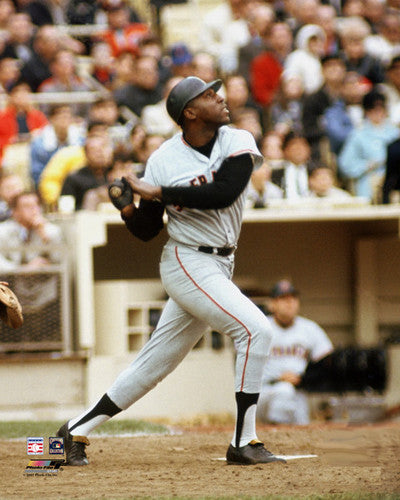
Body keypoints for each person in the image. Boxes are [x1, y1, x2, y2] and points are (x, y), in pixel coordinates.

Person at [56, 76, 285, 467]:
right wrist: (127, 208)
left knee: (153, 365)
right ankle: (244, 442)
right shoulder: (162, 159)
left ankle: (66, 437)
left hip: (219, 262)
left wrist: (156, 192)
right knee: (254, 329)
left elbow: (223, 193)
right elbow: (147, 230)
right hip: (187, 260)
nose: (221, 98)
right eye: (209, 96)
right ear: (190, 113)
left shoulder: (238, 140)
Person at [257, 279, 334, 425]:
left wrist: (302, 379)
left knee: (301, 430)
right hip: (264, 391)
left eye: (293, 298)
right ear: (272, 304)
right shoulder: (261, 327)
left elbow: (327, 362)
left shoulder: (310, 328)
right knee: (284, 390)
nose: (289, 302)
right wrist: (279, 378)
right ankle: (276, 434)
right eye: (283, 298)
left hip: (297, 393)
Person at [338, 89, 399, 202]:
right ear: (366, 112)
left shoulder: (395, 133)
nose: (378, 113)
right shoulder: (358, 135)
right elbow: (345, 164)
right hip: (369, 179)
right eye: (373, 109)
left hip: (394, 181)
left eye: (381, 109)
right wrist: (367, 165)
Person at [0, 191, 63, 272]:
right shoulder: (2, 231)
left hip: (42, 282)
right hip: (12, 281)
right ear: (15, 212)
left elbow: (59, 262)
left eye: (36, 205)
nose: (34, 210)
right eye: (27, 206)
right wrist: (23, 270)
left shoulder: (52, 231)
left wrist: (46, 238)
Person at [30, 104, 84, 189]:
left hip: (77, 184)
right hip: (49, 185)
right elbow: (37, 173)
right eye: (61, 117)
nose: (64, 121)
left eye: (67, 117)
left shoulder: (81, 141)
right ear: (51, 119)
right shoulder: (39, 144)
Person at [60, 134, 114, 210]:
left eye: (103, 148)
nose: (99, 153)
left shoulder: (115, 174)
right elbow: (66, 209)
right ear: (86, 153)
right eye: (94, 150)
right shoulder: (73, 178)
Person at [271, 131, 312, 199]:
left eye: (303, 145)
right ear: (285, 150)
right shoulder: (275, 173)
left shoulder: (315, 172)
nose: (299, 149)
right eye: (294, 145)